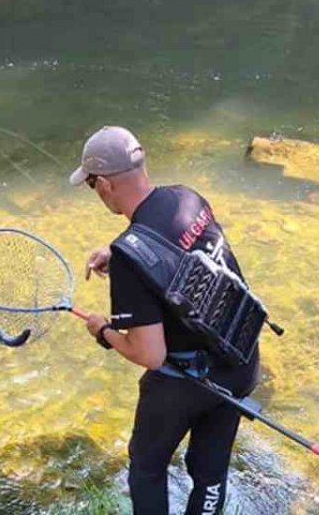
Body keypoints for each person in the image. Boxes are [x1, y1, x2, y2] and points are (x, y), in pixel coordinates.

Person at [69, 126, 260, 515]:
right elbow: (183, 246)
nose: (95, 191)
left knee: (146, 468)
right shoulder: (187, 197)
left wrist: (103, 331)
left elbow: (150, 354)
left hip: (184, 383)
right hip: (240, 359)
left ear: (104, 184)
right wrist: (118, 250)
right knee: (210, 470)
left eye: (90, 184)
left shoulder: (129, 259)